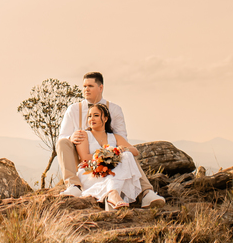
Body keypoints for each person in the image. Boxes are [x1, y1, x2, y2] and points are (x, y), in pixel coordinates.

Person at [56, 71, 165, 207]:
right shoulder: (73, 110)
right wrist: (71, 137)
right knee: (62, 142)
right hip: (86, 160)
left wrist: (112, 153)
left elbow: (122, 139)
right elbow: (62, 137)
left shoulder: (114, 109)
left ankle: (146, 193)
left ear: (100, 87)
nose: (86, 89)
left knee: (127, 155)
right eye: (84, 86)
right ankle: (73, 185)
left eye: (90, 86)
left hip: (111, 155)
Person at [76, 103, 140, 209]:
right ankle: (113, 195)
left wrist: (122, 149)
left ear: (105, 118)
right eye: (89, 116)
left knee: (127, 155)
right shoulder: (84, 135)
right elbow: (85, 157)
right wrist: (107, 155)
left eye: (96, 115)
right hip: (91, 172)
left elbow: (135, 151)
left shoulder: (114, 137)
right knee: (114, 173)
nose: (92, 119)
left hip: (111, 172)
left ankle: (112, 195)